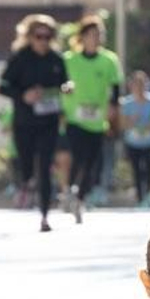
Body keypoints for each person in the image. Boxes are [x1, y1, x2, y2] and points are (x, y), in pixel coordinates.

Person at [0, 14, 68, 232]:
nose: (43, 41)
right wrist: (23, 95)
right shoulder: (20, 58)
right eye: (39, 36)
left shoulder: (57, 59)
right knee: (27, 164)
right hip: (24, 122)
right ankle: (26, 181)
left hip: (49, 121)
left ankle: (45, 216)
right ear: (29, 37)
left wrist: (67, 88)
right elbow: (3, 86)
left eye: (48, 36)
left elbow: (65, 81)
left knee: (45, 167)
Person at [62, 16, 123, 222]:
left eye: (99, 35)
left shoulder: (109, 60)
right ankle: (70, 190)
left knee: (92, 162)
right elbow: (60, 82)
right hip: (74, 116)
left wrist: (114, 106)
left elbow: (116, 86)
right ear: (82, 37)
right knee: (77, 157)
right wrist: (65, 91)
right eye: (91, 35)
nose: (96, 39)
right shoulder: (69, 59)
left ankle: (80, 198)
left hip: (97, 119)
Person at [120, 70, 150, 208]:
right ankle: (140, 197)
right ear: (131, 86)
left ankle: (149, 195)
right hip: (133, 142)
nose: (139, 87)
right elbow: (123, 124)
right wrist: (132, 121)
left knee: (149, 169)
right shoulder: (126, 102)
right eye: (136, 84)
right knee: (137, 170)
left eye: (142, 84)